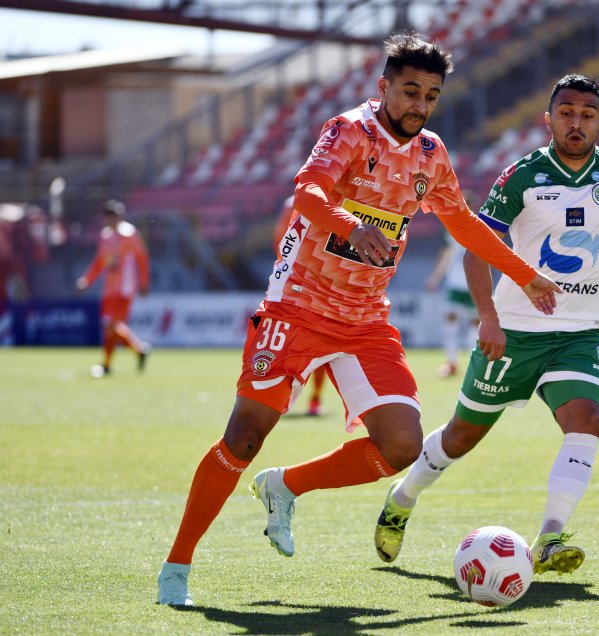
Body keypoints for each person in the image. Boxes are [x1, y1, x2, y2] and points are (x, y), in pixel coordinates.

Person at [157, 33, 561, 607]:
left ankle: (284, 486)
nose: (419, 104)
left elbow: (465, 224)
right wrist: (350, 225)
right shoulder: (349, 131)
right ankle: (176, 569)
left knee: (400, 446)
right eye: (409, 90)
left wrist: (523, 273)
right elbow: (307, 193)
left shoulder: (431, 154)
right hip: (297, 305)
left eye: (431, 95)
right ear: (384, 87)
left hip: (365, 319)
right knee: (244, 435)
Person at [373, 74, 599, 576]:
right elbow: (477, 249)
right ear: (549, 119)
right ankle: (402, 498)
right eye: (566, 112)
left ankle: (551, 536)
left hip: (581, 333)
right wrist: (489, 319)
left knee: (587, 420)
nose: (575, 122)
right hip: (514, 331)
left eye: (586, 114)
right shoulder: (521, 176)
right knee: (460, 437)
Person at [75, 199, 151, 377]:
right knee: (111, 326)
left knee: (110, 325)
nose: (111, 219)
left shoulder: (130, 234)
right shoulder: (105, 236)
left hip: (125, 288)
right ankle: (138, 350)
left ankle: (107, 365)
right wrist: (87, 279)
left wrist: (144, 283)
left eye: (114, 215)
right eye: (109, 216)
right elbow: (100, 262)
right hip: (109, 289)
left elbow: (142, 258)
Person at [274, 195, 328, 415]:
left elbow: (280, 240)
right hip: (323, 285)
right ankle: (314, 400)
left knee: (291, 342)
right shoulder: (333, 202)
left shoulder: (291, 203)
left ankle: (281, 397)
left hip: (296, 281)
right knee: (323, 344)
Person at [425, 230, 479, 378]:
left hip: (474, 285)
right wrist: (435, 278)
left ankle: (473, 365)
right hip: (455, 285)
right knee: (451, 322)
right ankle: (452, 363)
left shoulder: (479, 227)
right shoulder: (451, 231)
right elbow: (446, 255)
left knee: (475, 326)